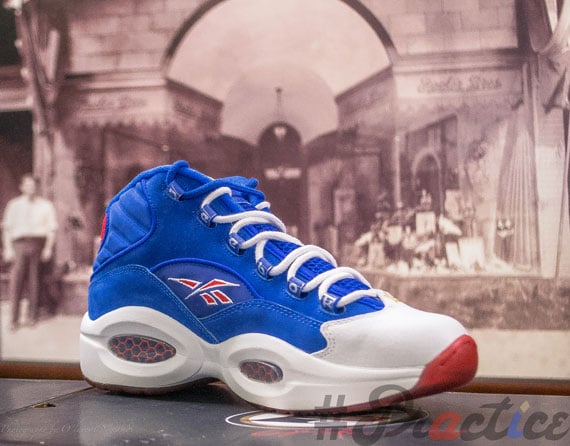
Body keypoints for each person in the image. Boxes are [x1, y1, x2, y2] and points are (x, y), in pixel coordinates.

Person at [2, 174, 58, 330]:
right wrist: (7, 248)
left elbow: (52, 229)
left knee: (35, 280)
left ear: (37, 188)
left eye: (33, 185)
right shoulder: (14, 205)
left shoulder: (46, 206)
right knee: (16, 281)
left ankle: (32, 316)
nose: (30, 188)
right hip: (18, 244)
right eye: (27, 185)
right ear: (21, 187)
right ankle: (13, 319)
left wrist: (48, 248)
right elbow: (7, 229)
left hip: (37, 244)